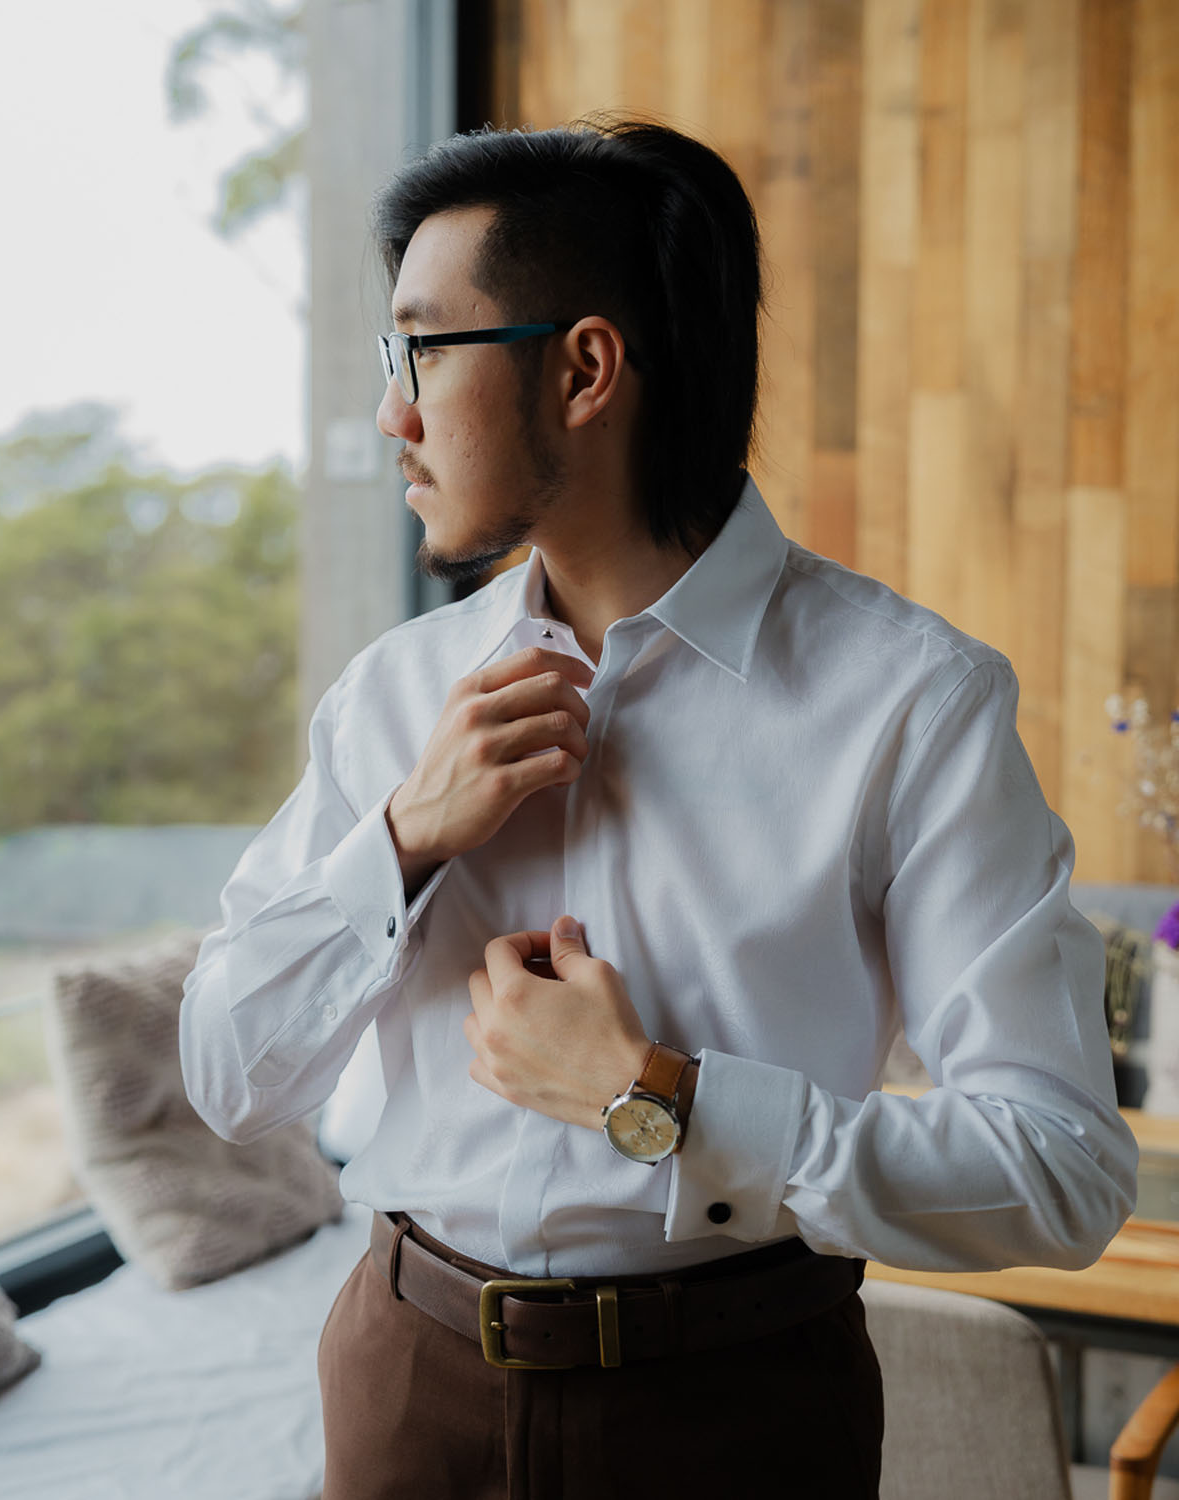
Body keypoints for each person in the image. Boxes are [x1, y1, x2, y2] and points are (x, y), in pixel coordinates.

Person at [179, 117, 1137, 1499]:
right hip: (407, 1387)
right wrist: (397, 845)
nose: (392, 412)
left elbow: (1062, 1172)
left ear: (583, 367)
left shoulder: (912, 704)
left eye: (420, 352)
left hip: (738, 1415)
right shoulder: (395, 697)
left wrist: (662, 1103)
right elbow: (226, 1075)